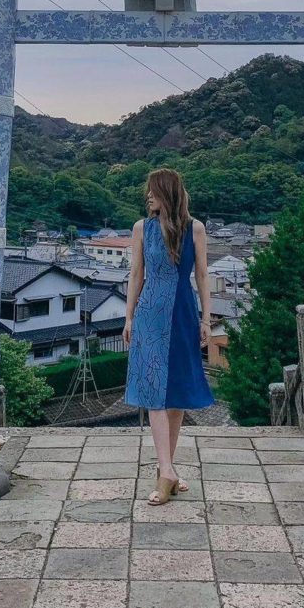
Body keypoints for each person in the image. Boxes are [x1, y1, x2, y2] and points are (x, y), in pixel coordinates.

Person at [123, 167, 214, 505]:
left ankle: (168, 471)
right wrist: (128, 315)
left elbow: (203, 275)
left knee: (172, 392)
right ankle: (166, 471)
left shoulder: (196, 229)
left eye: (153, 190)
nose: (148, 196)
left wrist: (207, 319)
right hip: (149, 313)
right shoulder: (140, 229)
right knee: (153, 392)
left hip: (183, 313)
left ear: (167, 193)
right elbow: (136, 274)